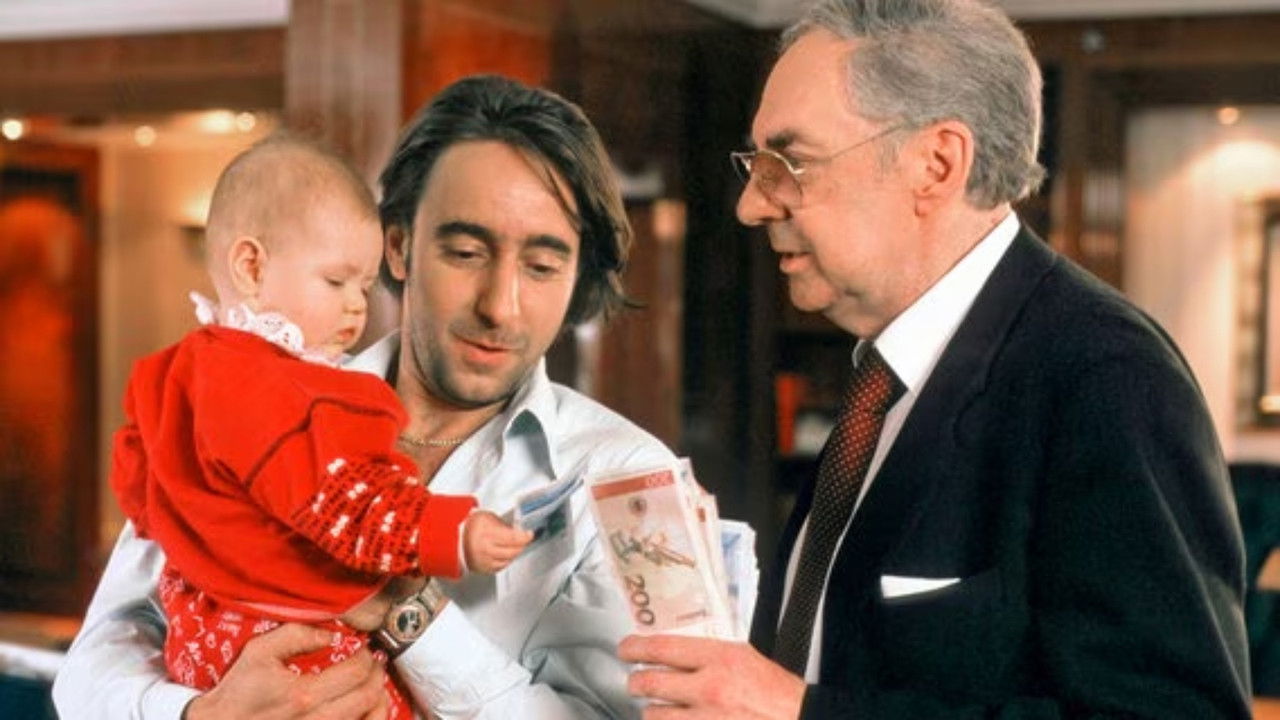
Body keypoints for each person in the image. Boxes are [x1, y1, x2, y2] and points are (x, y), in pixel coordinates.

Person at [620, 1, 1252, 718]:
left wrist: (802, 712)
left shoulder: (1107, 376)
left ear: (937, 164)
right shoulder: (882, 377)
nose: (751, 206)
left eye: (788, 164)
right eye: (756, 165)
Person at [53, 75, 677, 720]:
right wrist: (194, 714)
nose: (500, 305)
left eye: (542, 267)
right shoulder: (251, 404)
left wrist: (409, 615)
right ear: (397, 248)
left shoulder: (635, 483)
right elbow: (87, 672)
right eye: (466, 253)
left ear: (575, 279)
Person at [105, 135, 535, 720]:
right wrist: (449, 532)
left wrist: (203, 541)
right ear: (251, 266)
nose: (358, 307)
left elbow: (137, 482)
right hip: (281, 636)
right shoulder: (277, 391)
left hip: (198, 634)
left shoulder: (181, 368)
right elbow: (339, 497)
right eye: (336, 282)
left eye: (364, 287)